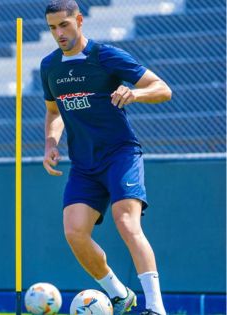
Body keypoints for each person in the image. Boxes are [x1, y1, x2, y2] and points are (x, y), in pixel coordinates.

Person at [40, 1, 171, 314]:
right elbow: (53, 112)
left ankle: (156, 308)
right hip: (84, 165)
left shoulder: (105, 56)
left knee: (126, 222)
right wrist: (50, 142)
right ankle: (119, 295)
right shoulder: (50, 67)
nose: (59, 33)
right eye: (52, 27)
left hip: (120, 155)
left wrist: (134, 93)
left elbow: (163, 89)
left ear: (80, 21)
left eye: (64, 25)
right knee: (74, 232)